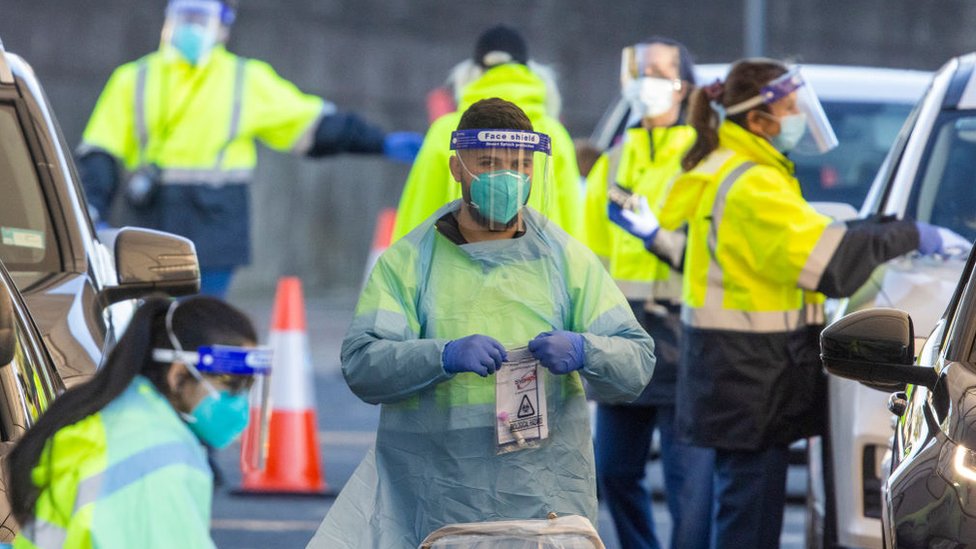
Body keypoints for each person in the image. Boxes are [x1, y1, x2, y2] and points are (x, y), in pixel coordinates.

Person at [611, 58, 952, 548]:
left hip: (738, 368)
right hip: (751, 374)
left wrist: (872, 229)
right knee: (747, 520)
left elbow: (805, 240)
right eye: (790, 107)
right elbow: (831, 265)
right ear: (757, 119)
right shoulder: (753, 184)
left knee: (745, 510)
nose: (796, 117)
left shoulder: (737, 169)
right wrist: (908, 233)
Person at [307, 98, 655, 548]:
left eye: (519, 164)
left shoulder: (566, 261)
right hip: (439, 504)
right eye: (488, 163)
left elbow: (636, 361)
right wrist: (442, 356)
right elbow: (362, 363)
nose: (507, 176)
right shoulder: (410, 262)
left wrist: (587, 350)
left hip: (544, 506)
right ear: (457, 168)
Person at [76, 0, 423, 298]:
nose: (191, 27)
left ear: (224, 28)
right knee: (147, 319)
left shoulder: (244, 80)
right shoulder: (133, 79)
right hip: (153, 219)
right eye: (184, 15)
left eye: (202, 18)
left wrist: (377, 141)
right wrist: (93, 205)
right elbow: (101, 150)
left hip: (216, 223)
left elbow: (310, 123)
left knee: (201, 321)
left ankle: (195, 376)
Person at [8, 296, 271, 548]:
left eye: (248, 387)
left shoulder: (117, 418)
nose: (240, 402)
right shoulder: (158, 458)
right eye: (232, 386)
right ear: (178, 376)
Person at [585, 38, 712, 549]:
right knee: (613, 471)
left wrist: (657, 236)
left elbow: (711, 253)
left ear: (684, 84)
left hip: (684, 339)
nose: (645, 81)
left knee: (689, 486)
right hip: (621, 341)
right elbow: (587, 258)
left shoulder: (703, 161)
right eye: (637, 71)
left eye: (657, 71)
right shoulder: (612, 163)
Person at [391, 24, 582, 242]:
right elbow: (573, 221)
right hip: (538, 268)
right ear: (529, 70)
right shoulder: (553, 134)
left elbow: (418, 214)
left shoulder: (446, 130)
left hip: (457, 268)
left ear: (473, 72)